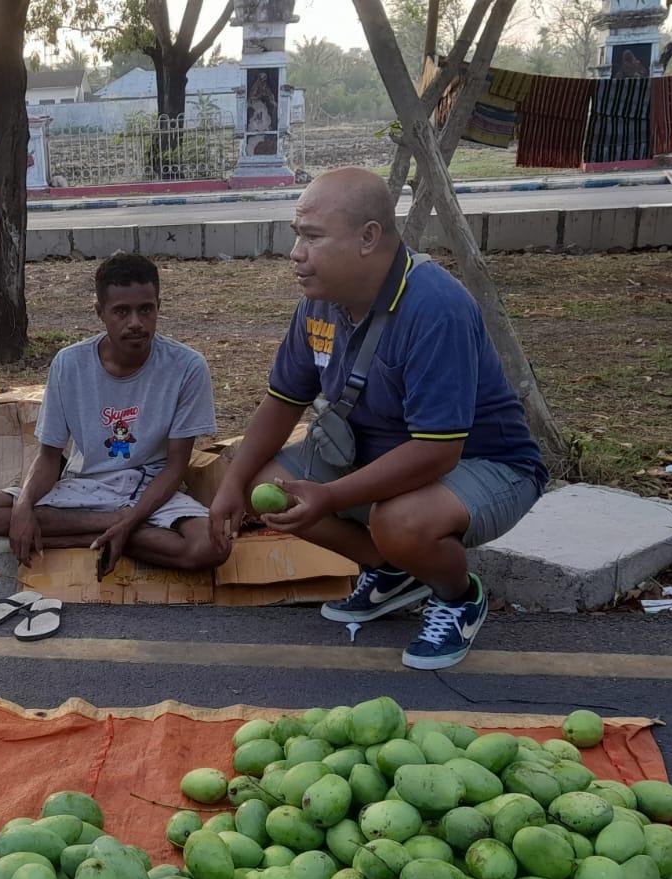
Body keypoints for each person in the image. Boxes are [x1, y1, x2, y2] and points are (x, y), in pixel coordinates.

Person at [208, 168, 546, 671]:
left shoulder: (435, 306)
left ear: (368, 238)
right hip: (385, 455)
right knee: (265, 479)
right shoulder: (318, 307)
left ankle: (457, 597)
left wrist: (329, 496)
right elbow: (282, 402)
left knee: (400, 521)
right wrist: (232, 485)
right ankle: (390, 570)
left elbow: (438, 450)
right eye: (297, 234)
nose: (296, 253)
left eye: (312, 237)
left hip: (487, 464)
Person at [0, 252, 227, 579]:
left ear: (159, 306)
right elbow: (49, 456)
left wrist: (132, 518)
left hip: (149, 491)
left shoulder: (187, 367)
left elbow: (175, 467)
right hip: (87, 487)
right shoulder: (69, 364)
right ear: (100, 313)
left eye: (146, 309)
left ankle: (103, 534)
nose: (136, 322)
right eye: (121, 311)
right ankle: (105, 532)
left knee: (212, 546)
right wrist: (23, 505)